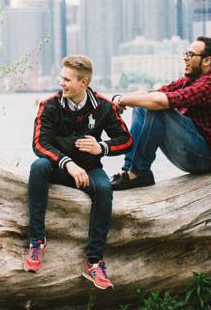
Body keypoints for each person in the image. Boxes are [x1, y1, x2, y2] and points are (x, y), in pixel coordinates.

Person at [25, 55, 132, 290]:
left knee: (104, 189)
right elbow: (39, 144)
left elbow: (126, 140)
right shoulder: (49, 105)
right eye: (61, 77)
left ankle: (94, 261)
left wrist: (102, 147)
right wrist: (67, 163)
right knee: (38, 167)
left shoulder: (103, 107)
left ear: (84, 82)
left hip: (90, 169)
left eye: (66, 79)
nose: (61, 83)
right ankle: (36, 241)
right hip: (59, 169)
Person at [111, 36, 211, 191]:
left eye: (191, 55)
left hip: (208, 159)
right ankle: (128, 170)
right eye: (185, 53)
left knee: (158, 109)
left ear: (207, 61)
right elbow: (150, 94)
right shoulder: (189, 80)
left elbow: (161, 101)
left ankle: (138, 173)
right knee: (142, 106)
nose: (185, 58)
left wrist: (124, 100)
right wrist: (118, 100)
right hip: (192, 152)